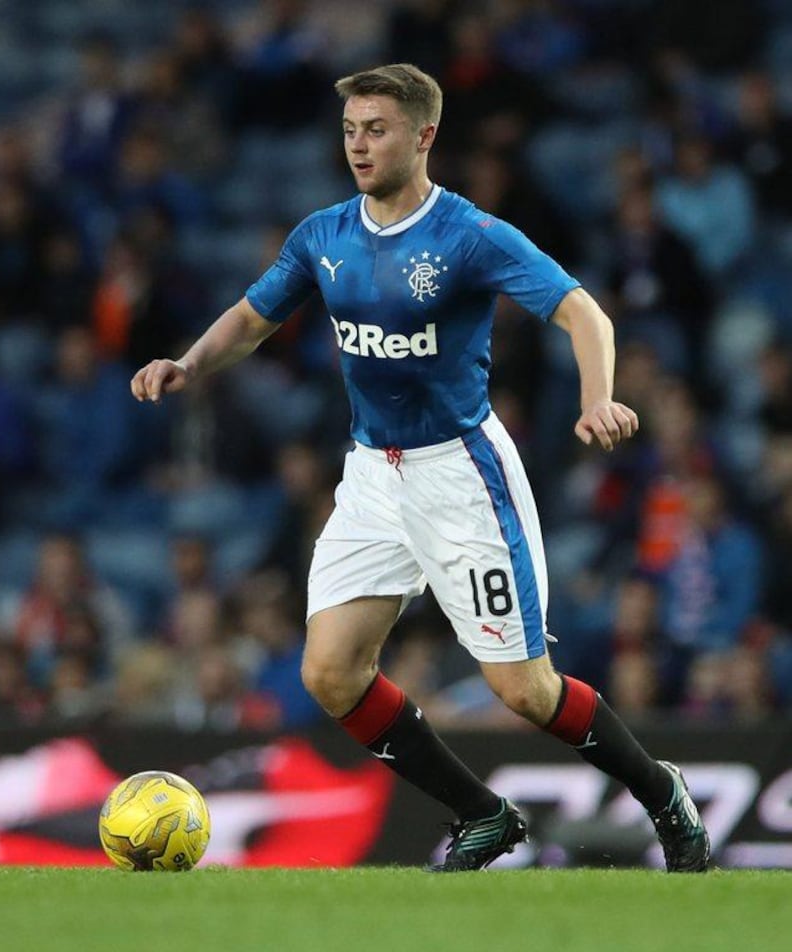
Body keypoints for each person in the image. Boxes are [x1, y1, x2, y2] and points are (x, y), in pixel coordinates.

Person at [131, 63, 709, 873]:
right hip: (373, 474)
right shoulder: (323, 235)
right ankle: (483, 814)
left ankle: (662, 794)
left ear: (423, 135)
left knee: (525, 692)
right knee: (330, 673)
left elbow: (585, 312)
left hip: (460, 475)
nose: (359, 146)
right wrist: (190, 364)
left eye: (376, 129)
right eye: (350, 131)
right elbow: (252, 318)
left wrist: (597, 398)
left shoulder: (469, 235)